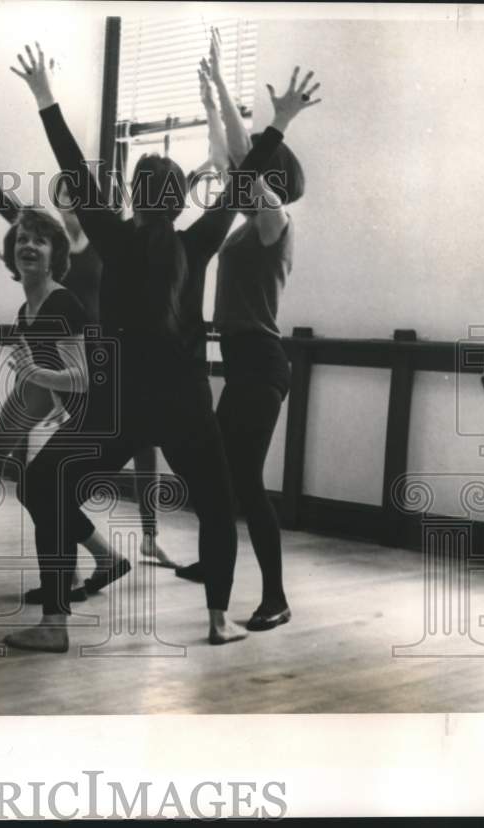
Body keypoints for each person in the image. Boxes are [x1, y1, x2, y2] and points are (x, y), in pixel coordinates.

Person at [3, 42, 319, 652]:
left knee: (45, 483)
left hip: (118, 404)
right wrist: (280, 121)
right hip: (183, 403)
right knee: (219, 502)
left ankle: (55, 624)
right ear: (179, 200)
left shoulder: (112, 235)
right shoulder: (199, 239)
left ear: (132, 197)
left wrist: (45, 97)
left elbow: (72, 167)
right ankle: (218, 620)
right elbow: (244, 180)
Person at [0, 145, 176, 571]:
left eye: (77, 193)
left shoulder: (112, 239)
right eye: (64, 192)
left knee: (144, 445)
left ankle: (149, 537)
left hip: (93, 359)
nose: (69, 200)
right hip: (45, 358)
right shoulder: (47, 237)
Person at [175, 40, 312, 633]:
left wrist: (268, 118)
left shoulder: (276, 224)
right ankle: (214, 561)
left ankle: (276, 597)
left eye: (260, 173)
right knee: (221, 470)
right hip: (239, 361)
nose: (245, 177)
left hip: (261, 362)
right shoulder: (245, 224)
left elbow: (246, 162)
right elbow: (233, 157)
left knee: (247, 480)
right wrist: (214, 99)